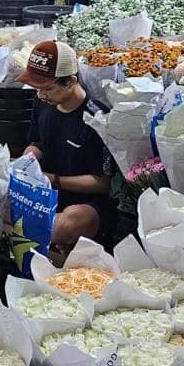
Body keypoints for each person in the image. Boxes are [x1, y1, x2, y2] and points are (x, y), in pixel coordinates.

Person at [17, 41, 119, 260]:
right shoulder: (43, 103)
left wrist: (54, 179)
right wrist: (26, 161)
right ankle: (49, 248)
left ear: (70, 82)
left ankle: (52, 245)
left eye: (47, 88)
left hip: (86, 202)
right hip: (47, 190)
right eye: (36, 88)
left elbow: (102, 183)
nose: (40, 95)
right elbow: (38, 143)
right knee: (0, 204)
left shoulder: (96, 119)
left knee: (61, 226)